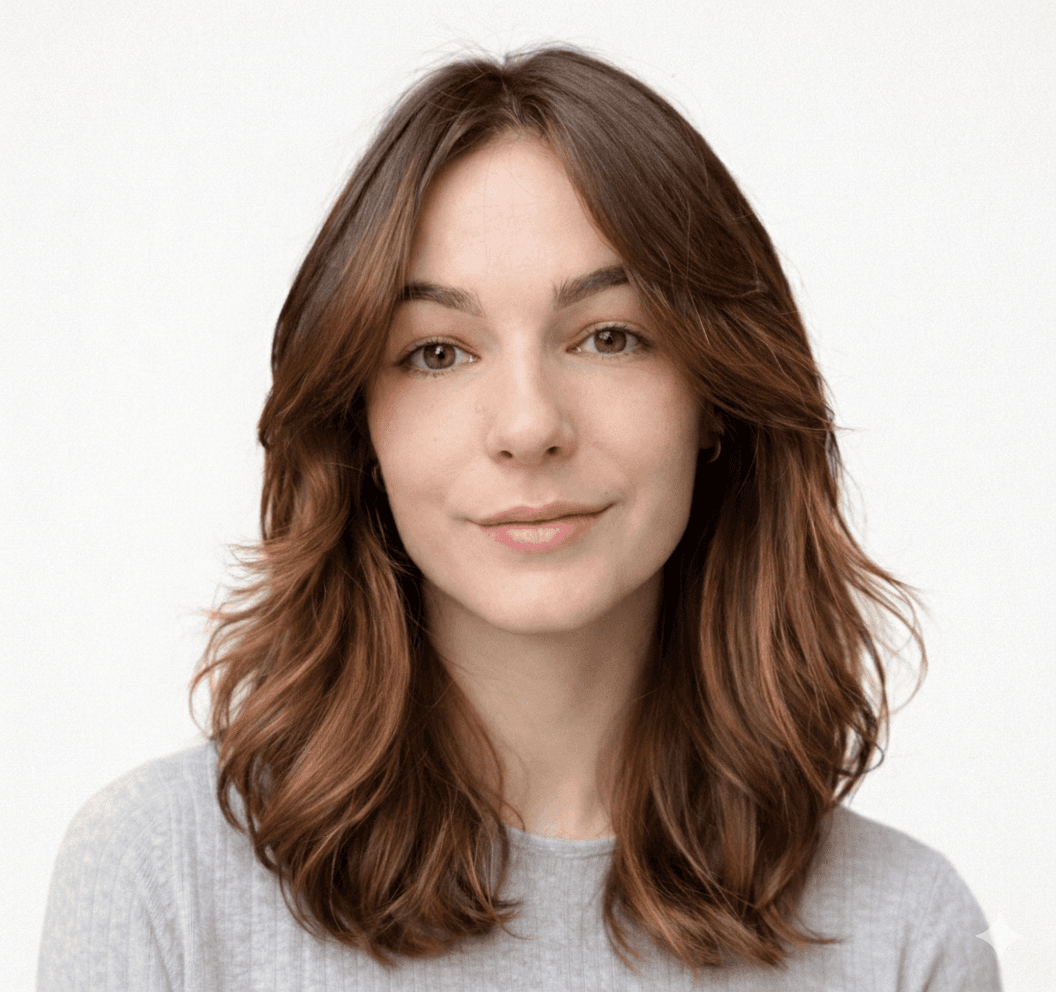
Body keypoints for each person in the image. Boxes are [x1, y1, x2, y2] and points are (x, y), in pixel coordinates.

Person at [37, 43, 1003, 991]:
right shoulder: (158, 881)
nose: (530, 425)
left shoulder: (901, 935)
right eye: (438, 352)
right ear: (359, 425)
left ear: (717, 399)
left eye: (610, 337)